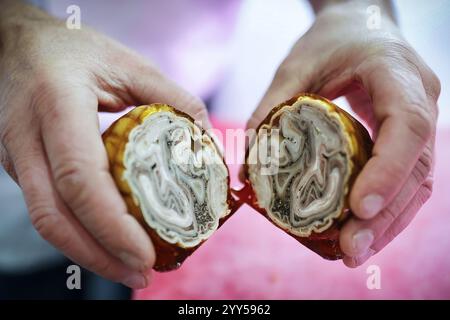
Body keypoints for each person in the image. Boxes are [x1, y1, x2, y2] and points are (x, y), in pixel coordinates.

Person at [0, 0, 440, 299]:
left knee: (122, 265)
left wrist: (356, 11)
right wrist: (12, 29)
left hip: (193, 79)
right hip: (14, 106)